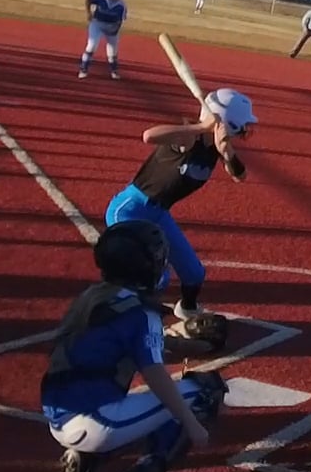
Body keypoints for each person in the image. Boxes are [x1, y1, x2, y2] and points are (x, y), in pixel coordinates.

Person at [41, 220, 227, 472]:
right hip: (97, 421)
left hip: (58, 416)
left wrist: (183, 344)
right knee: (205, 390)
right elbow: (155, 373)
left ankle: (83, 461)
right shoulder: (141, 313)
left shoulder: (93, 296)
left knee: (120, 393)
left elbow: (113, 342)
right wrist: (192, 425)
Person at [105, 89, 256, 320]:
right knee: (155, 276)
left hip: (157, 214)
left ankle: (188, 308)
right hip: (130, 210)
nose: (245, 129)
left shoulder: (218, 145)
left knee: (194, 273)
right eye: (242, 125)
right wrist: (201, 128)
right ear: (229, 122)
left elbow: (240, 176)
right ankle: (122, 315)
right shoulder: (189, 137)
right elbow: (148, 136)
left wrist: (227, 153)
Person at [80, 0, 127, 80]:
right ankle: (83, 69)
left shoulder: (121, 5)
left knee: (112, 51)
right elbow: (88, 0)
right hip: (97, 24)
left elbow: (120, 21)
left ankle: (114, 71)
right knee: (92, 45)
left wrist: (115, 30)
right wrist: (89, 13)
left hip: (111, 27)